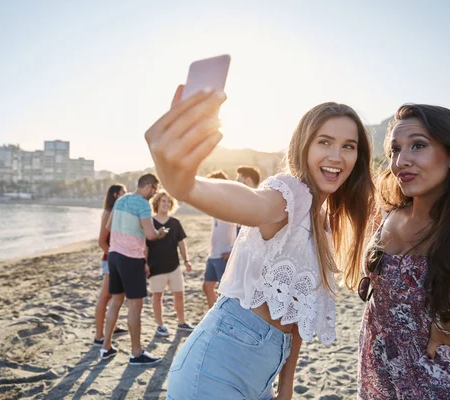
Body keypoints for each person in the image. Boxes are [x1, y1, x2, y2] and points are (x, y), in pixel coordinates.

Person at [145, 86, 374, 400]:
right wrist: (187, 187)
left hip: (261, 377)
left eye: (348, 146)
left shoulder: (320, 220)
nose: (337, 156)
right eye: (325, 142)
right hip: (214, 372)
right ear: (304, 146)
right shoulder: (289, 193)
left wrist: (287, 387)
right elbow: (253, 204)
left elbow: (292, 318)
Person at [358, 104, 450, 399]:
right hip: (382, 375)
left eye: (418, 145)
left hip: (444, 382)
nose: (401, 161)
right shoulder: (390, 215)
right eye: (394, 150)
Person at [99, 173, 168, 366]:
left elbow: (109, 225)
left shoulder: (121, 200)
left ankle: (105, 347)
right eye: (154, 190)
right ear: (148, 186)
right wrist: (160, 233)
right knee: (135, 306)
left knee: (116, 302)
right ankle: (136, 354)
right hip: (131, 258)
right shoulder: (142, 204)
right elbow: (150, 235)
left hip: (114, 256)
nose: (154, 195)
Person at [146, 190, 194, 337]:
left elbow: (181, 243)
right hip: (156, 267)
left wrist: (186, 260)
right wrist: (145, 263)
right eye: (163, 201)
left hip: (174, 266)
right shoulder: (150, 222)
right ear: (157, 203)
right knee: (157, 296)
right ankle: (160, 325)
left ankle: (181, 323)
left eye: (168, 202)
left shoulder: (175, 223)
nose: (166, 204)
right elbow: (145, 245)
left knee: (179, 294)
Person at [94, 184, 127, 346]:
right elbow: (101, 241)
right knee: (105, 297)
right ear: (115, 195)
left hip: (114, 259)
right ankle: (99, 336)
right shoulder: (108, 214)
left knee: (116, 296)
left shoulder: (116, 213)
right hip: (110, 260)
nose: (126, 195)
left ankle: (112, 327)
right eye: (123, 193)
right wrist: (114, 258)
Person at [202, 170, 237, 309]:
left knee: (226, 292)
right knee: (207, 287)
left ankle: (225, 317)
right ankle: (214, 316)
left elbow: (242, 231)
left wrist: (233, 252)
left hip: (224, 255)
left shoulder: (230, 205)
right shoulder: (215, 205)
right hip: (213, 254)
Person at [235, 165, 261, 235]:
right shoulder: (242, 205)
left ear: (248, 181)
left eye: (238, 181)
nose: (236, 184)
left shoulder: (258, 207)